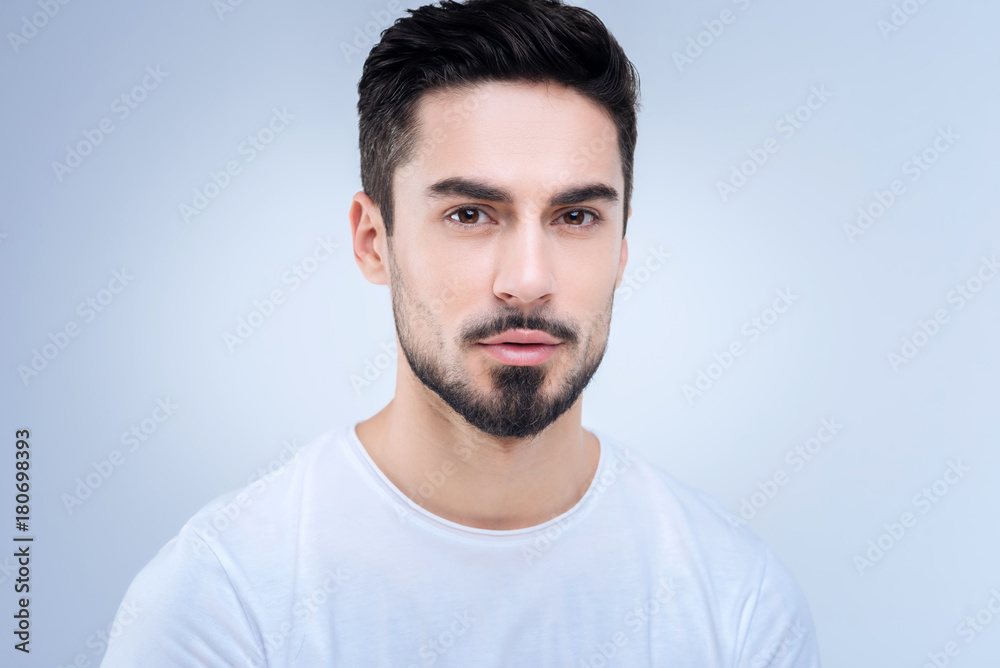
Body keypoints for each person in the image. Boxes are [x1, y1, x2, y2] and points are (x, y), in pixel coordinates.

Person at [102, 0, 822, 665]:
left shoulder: (737, 603)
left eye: (577, 217)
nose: (529, 279)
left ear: (623, 248)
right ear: (373, 241)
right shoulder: (221, 599)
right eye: (471, 214)